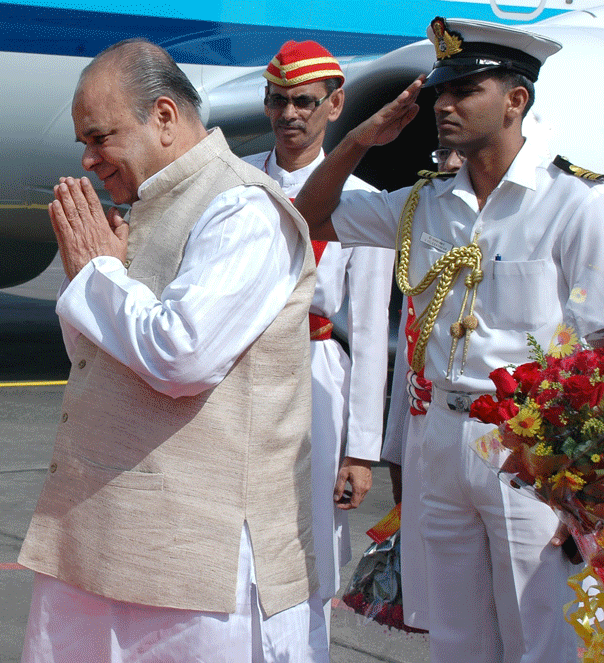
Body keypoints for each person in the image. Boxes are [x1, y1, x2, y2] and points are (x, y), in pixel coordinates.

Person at [295, 16, 604, 663]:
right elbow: (309, 213)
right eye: (440, 90)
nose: (442, 104)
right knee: (456, 638)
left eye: (464, 88)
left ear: (516, 99)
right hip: (439, 439)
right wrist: (358, 139)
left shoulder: (571, 203)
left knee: (539, 630)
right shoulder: (426, 204)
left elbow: (599, 339)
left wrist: (582, 476)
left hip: (527, 452)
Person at [17, 38, 319, 661]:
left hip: (193, 562)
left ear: (163, 116)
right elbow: (94, 361)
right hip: (101, 533)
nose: (90, 158)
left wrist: (96, 274)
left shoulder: (241, 208)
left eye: (101, 137)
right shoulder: (150, 208)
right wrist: (97, 277)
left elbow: (183, 358)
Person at [240, 40, 393, 660]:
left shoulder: (362, 200)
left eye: (303, 101)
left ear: (335, 106)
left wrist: (360, 450)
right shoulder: (240, 182)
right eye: (277, 100)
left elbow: (373, 331)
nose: (288, 114)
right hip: (239, 374)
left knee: (311, 549)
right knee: (236, 541)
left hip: (315, 377)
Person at [380, 144, 463, 630]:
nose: (448, 163)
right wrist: (394, 452)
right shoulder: (422, 214)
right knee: (448, 614)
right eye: (442, 152)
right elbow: (409, 354)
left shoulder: (567, 206)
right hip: (428, 434)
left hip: (516, 446)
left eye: (459, 153)